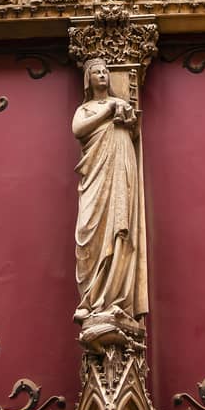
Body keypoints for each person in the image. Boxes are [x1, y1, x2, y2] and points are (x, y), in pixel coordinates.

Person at [72, 59, 144, 346]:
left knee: (118, 226)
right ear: (88, 79)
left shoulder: (119, 103)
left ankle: (115, 301)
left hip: (119, 166)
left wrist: (126, 118)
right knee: (88, 234)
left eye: (105, 71)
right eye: (96, 72)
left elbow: (134, 132)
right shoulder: (86, 109)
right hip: (95, 175)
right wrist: (108, 112)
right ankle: (91, 300)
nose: (102, 75)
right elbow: (78, 130)